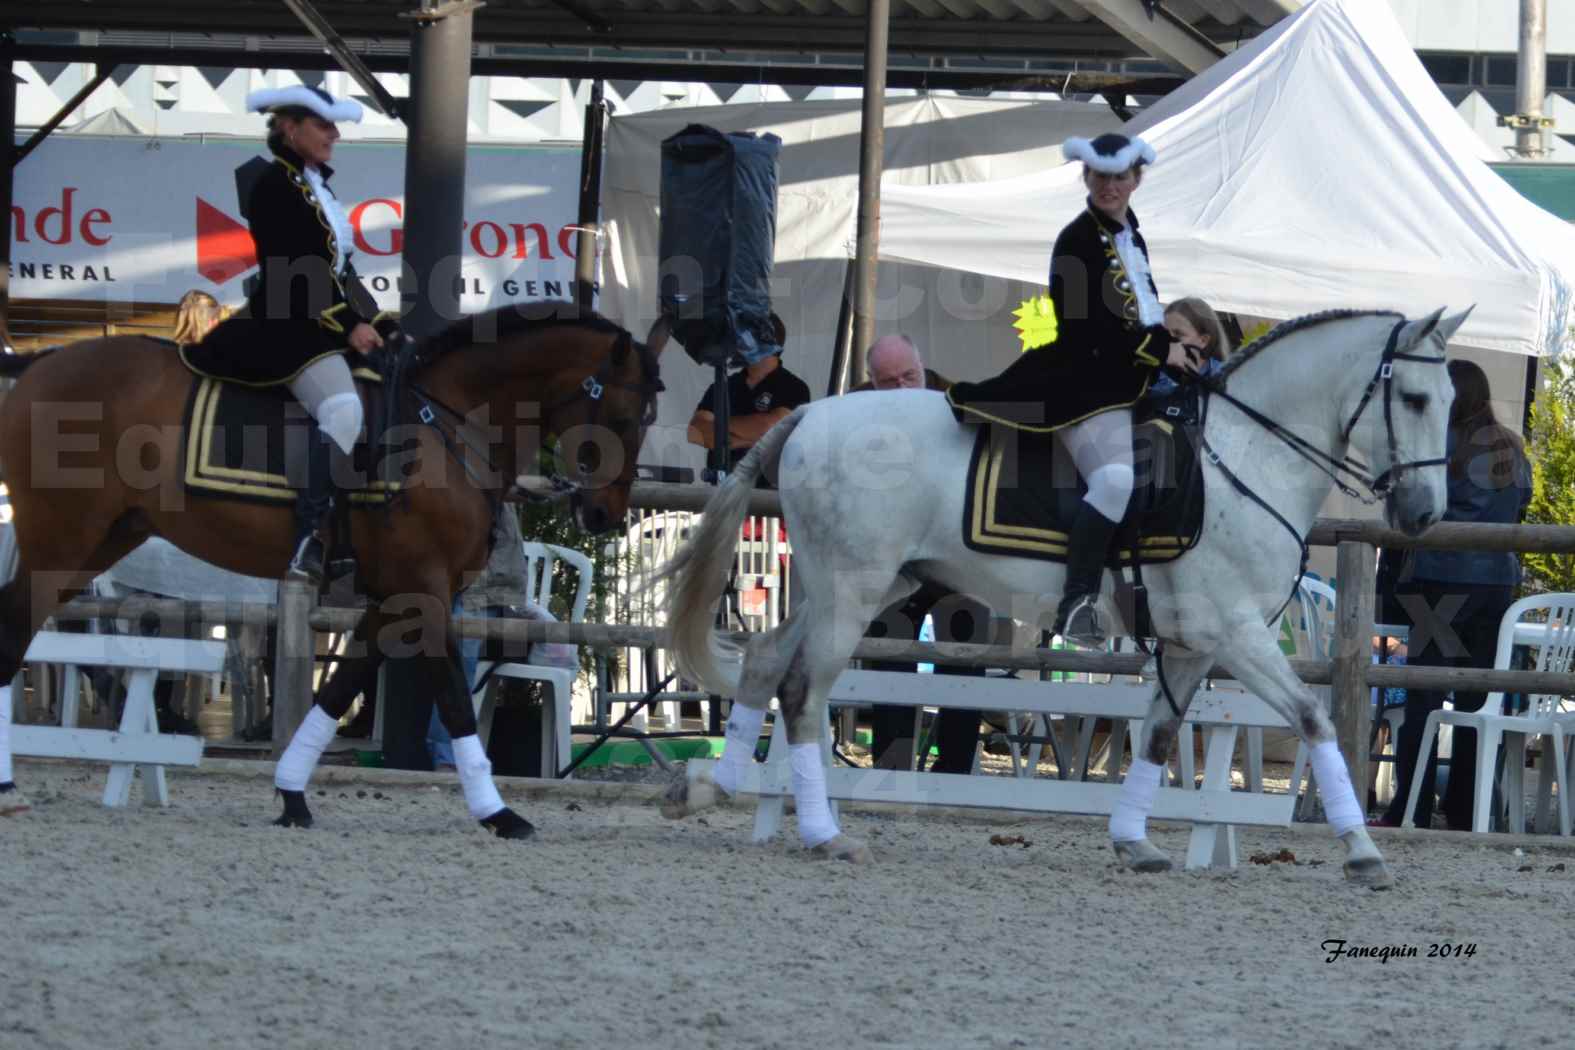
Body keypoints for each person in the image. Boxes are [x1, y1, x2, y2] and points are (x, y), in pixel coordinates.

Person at [945, 133, 1201, 647]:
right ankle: (1077, 599)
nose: (1110, 186)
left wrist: (1172, 353)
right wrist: (1162, 348)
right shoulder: (1076, 240)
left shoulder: (1132, 235)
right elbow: (1090, 330)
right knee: (1113, 480)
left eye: (1120, 177)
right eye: (1101, 176)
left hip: (1130, 381)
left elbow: (1140, 311)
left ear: (1136, 180)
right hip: (1086, 384)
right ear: (1086, 178)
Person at [183, 85, 384, 583]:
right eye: (323, 125)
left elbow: (338, 270)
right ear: (289, 128)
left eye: (334, 126)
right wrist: (347, 323)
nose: (334, 135)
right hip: (287, 323)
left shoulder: (314, 185)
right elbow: (295, 270)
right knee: (343, 409)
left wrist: (375, 321)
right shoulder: (274, 186)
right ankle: (309, 538)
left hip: (323, 319)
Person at [1373, 359, 1531, 830]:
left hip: (1440, 581)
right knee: (1477, 702)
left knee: (1424, 698)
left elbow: (1407, 503)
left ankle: (1413, 806)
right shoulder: (1513, 448)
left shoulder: (1442, 445)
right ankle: (1468, 807)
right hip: (1498, 584)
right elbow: (1520, 507)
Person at [849, 334, 997, 772]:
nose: (900, 389)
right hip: (893, 560)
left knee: (965, 660)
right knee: (890, 662)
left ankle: (955, 771)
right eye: (887, 381)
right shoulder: (853, 409)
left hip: (957, 562)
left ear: (923, 366)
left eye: (908, 377)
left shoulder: (959, 402)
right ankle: (892, 771)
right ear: (871, 381)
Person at [686, 312, 810, 487]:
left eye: (747, 337)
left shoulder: (794, 387)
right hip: (723, 494)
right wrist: (750, 440)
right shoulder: (723, 385)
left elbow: (770, 427)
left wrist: (719, 429)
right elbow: (695, 432)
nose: (738, 344)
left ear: (767, 342)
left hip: (769, 501)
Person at [1150, 298, 1230, 397]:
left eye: (1178, 333)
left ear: (1203, 340)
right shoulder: (1153, 376)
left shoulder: (1226, 377)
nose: (1169, 341)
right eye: (1165, 334)